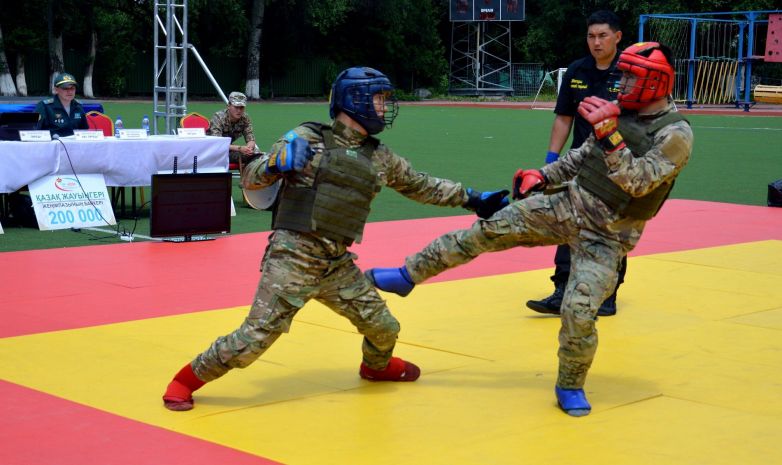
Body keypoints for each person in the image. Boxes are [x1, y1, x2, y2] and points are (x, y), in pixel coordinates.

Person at [366, 42, 693, 417]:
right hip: (567, 204)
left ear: (655, 81)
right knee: (487, 229)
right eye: (622, 74)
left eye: (630, 76)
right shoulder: (619, 113)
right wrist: (544, 175)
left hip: (608, 235)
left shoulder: (676, 134)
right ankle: (409, 274)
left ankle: (570, 384)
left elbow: (639, 182)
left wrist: (609, 135)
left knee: (579, 312)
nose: (621, 83)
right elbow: (581, 157)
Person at [162, 67, 509, 411]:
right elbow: (251, 178)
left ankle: (376, 368)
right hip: (292, 257)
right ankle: (185, 380)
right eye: (378, 100)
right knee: (251, 341)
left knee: (384, 327)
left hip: (336, 264)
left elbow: (421, 184)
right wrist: (275, 164)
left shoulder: (379, 156)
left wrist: (474, 198)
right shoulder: (307, 137)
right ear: (354, 101)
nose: (384, 108)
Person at [528, 10, 625, 318]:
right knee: (567, 223)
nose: (596, 42)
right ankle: (561, 289)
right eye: (591, 36)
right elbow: (563, 118)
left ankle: (607, 295)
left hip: (619, 164)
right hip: (579, 165)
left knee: (612, 230)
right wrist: (550, 163)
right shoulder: (576, 71)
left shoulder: (630, 72)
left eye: (602, 36)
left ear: (617, 37)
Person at [208, 91, 260, 166]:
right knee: (249, 157)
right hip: (212, 150)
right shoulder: (218, 117)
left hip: (229, 149)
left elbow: (250, 137)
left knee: (256, 155)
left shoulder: (245, 118)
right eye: (236, 107)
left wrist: (249, 148)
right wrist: (239, 148)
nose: (239, 111)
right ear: (228, 106)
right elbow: (218, 143)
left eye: (241, 107)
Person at [35, 72, 89, 137]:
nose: (70, 91)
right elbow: (35, 130)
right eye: (65, 88)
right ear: (56, 90)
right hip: (52, 145)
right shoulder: (44, 106)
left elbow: (84, 131)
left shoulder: (78, 106)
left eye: (72, 88)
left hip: (74, 145)